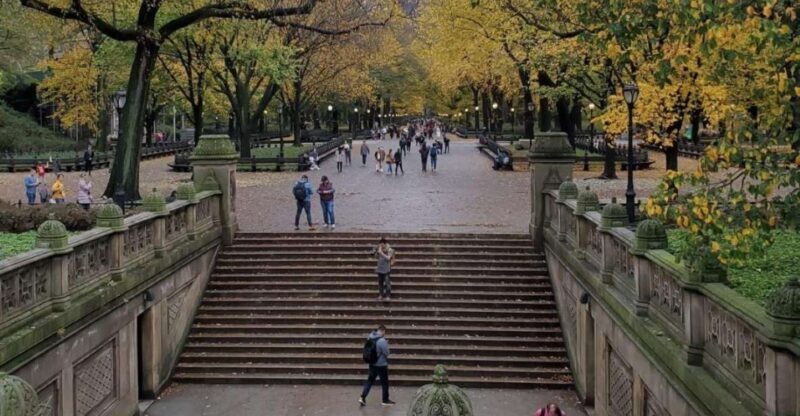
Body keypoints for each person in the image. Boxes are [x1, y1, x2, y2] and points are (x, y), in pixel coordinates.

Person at [359, 325, 394, 407]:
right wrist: (385, 344)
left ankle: (362, 397)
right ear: (383, 331)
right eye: (384, 332)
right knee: (384, 383)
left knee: (369, 381)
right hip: (381, 365)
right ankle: (385, 400)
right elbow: (387, 353)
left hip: (372, 363)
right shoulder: (382, 340)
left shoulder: (370, 337)